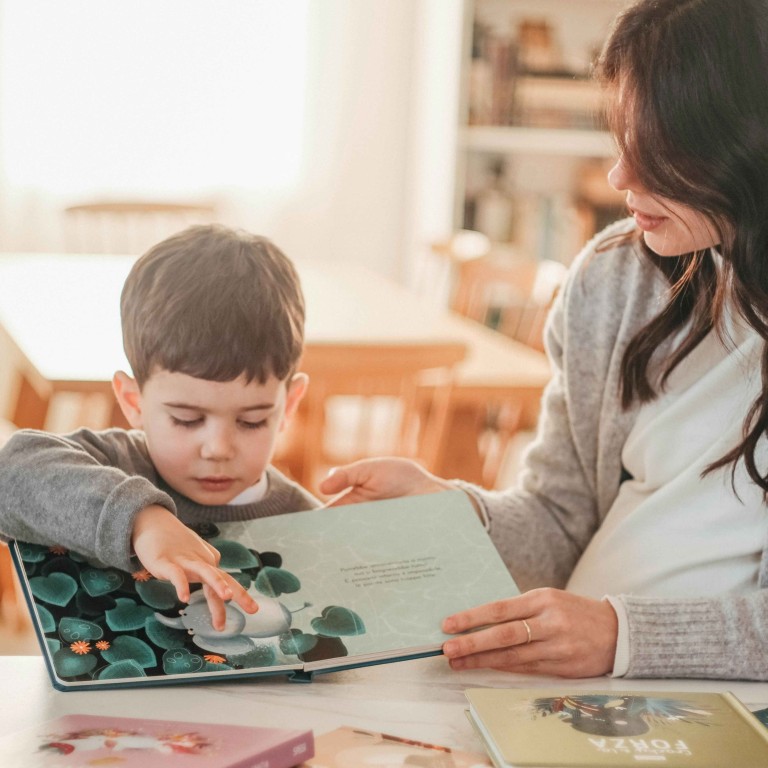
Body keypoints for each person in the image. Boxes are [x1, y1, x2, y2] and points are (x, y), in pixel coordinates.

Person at [320, 0, 768, 681]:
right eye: (621, 137)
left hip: (713, 706)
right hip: (568, 684)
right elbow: (559, 519)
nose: (619, 176)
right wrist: (452, 513)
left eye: (658, 149)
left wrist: (624, 636)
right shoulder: (614, 279)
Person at [0, 224, 318, 629]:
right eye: (187, 419)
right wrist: (142, 520)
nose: (218, 447)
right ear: (134, 402)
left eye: (252, 421)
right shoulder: (109, 463)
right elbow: (9, 475)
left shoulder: (307, 521)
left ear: (288, 405)